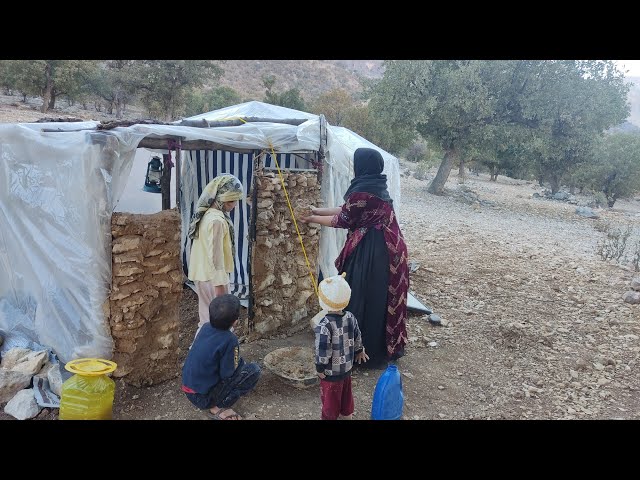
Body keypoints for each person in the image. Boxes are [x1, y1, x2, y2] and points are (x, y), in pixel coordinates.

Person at [301, 147, 409, 369]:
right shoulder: (376, 185)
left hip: (373, 251)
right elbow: (348, 210)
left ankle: (360, 350)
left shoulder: (363, 192)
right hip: (389, 249)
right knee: (379, 299)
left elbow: (343, 219)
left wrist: (311, 218)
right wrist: (316, 210)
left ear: (362, 166)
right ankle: (377, 348)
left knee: (363, 296)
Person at [181, 294, 261, 420]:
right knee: (254, 370)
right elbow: (227, 374)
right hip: (204, 398)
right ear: (235, 321)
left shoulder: (205, 327)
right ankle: (219, 405)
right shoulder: (230, 339)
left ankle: (214, 400)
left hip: (188, 390)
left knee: (238, 364)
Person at [187, 174, 244, 337]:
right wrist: (220, 288)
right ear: (220, 198)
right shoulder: (217, 221)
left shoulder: (205, 215)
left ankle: (199, 356)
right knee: (222, 326)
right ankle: (219, 358)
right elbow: (216, 256)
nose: (234, 205)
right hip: (214, 279)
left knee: (206, 321)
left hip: (202, 276)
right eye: (231, 201)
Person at [314, 273, 368, 420]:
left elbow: (323, 350)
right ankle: (347, 416)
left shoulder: (324, 325)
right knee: (346, 399)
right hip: (347, 369)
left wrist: (320, 368)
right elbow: (357, 336)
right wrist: (359, 350)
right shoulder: (350, 317)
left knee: (330, 406)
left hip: (331, 374)